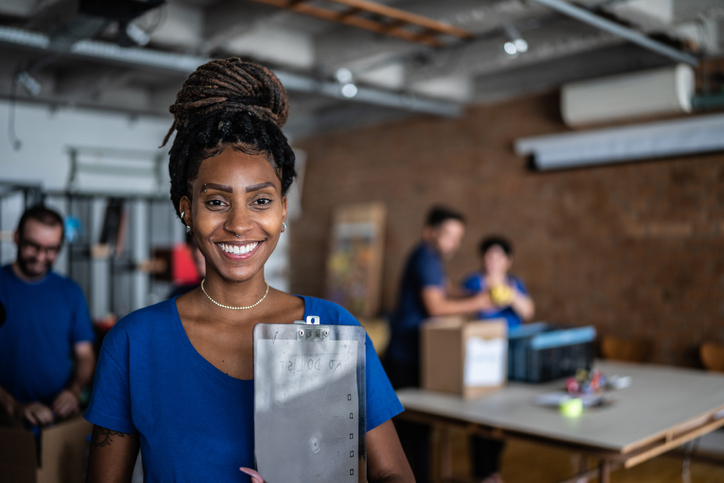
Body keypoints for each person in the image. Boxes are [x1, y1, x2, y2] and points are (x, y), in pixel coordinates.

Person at [83, 58, 414, 483]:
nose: (240, 224)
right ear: (187, 210)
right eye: (217, 201)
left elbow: (395, 475)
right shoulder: (134, 343)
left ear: (283, 212)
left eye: (260, 201)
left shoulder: (331, 330)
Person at [384, 206, 492, 483]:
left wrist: (474, 292)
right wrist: (480, 302)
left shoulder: (430, 258)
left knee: (418, 434)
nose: (453, 243)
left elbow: (447, 289)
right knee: (411, 436)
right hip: (406, 358)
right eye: (449, 235)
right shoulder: (426, 258)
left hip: (413, 355)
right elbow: (437, 305)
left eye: (458, 237)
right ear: (430, 232)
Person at [0, 205, 96, 426]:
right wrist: (13, 405)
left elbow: (85, 355)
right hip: (5, 421)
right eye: (33, 246)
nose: (41, 256)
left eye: (51, 249)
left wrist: (73, 392)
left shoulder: (70, 292)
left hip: (56, 418)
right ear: (16, 238)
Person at [461, 235, 535, 483]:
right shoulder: (472, 282)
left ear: (508, 260)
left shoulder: (516, 284)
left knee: (504, 414)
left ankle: (493, 469)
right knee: (480, 414)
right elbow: (463, 313)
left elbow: (528, 310)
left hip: (510, 354)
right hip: (480, 357)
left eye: (496, 256)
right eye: (487, 255)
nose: (491, 260)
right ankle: (482, 472)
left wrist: (509, 295)